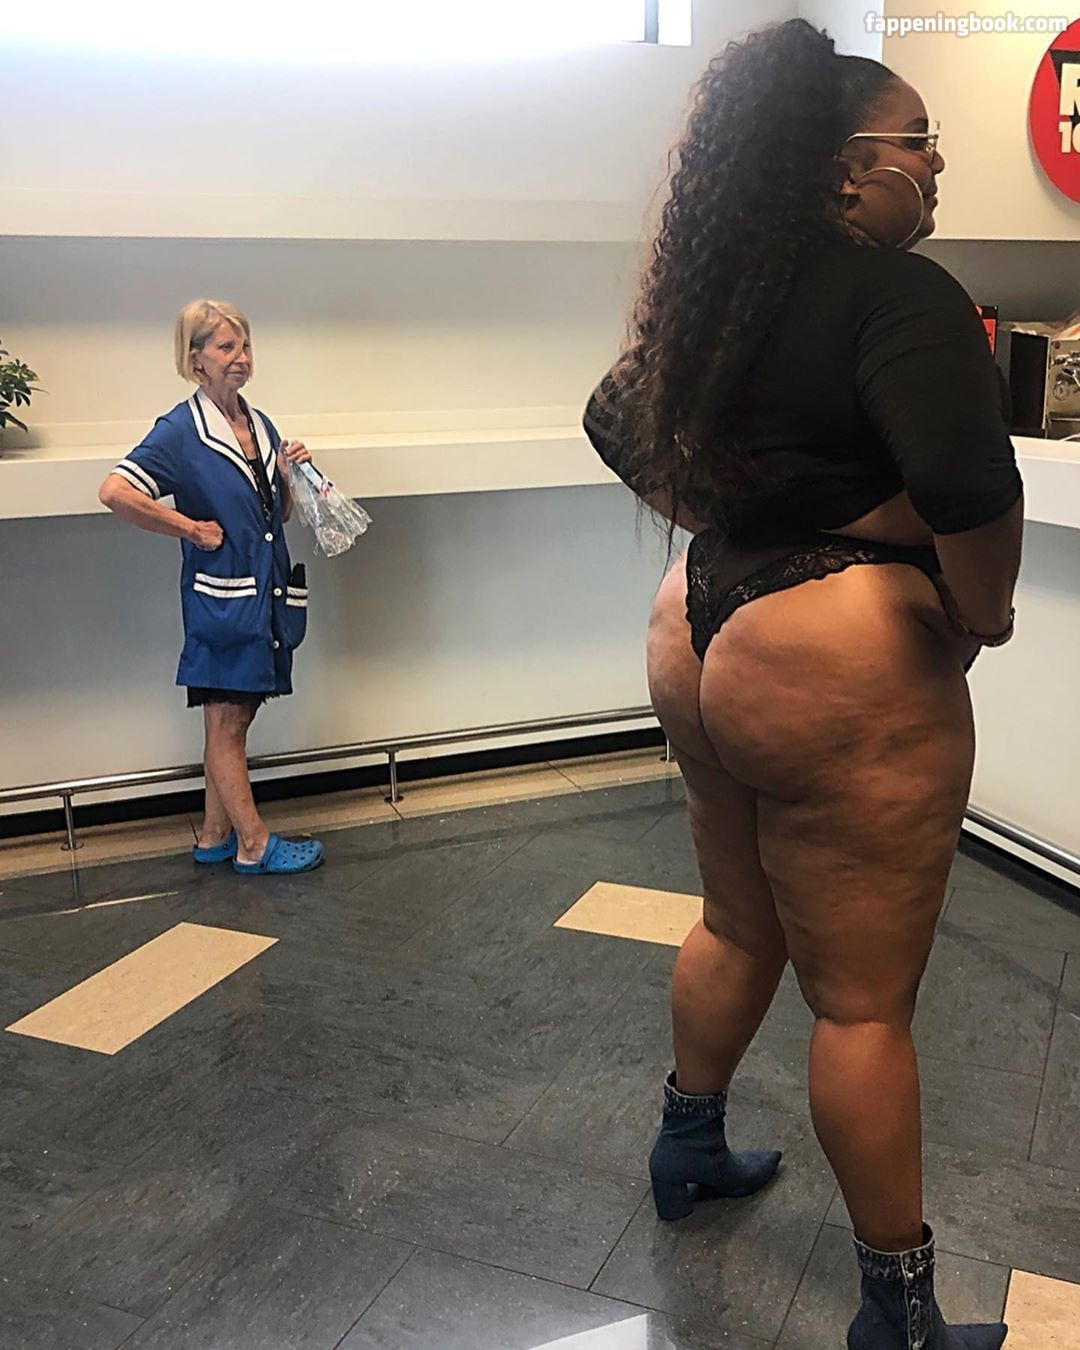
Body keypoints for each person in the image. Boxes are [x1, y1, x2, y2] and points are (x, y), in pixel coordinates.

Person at [584, 20, 1021, 1350]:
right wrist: (981, 614)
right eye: (917, 141)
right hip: (837, 656)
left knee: (735, 922)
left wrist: (746, 513)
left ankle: (687, 1147)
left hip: (699, 626)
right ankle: (899, 1314)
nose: (933, 164)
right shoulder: (901, 293)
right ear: (845, 166)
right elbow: (969, 488)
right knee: (863, 1004)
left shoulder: (721, 288)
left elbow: (614, 415)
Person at [99, 299, 325, 875]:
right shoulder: (180, 431)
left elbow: (278, 516)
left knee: (226, 718)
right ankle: (255, 843)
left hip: (263, 594)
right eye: (226, 347)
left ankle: (214, 834)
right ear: (195, 358)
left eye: (245, 346)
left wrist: (288, 478)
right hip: (223, 600)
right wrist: (189, 528)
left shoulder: (260, 424)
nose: (241, 358)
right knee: (229, 721)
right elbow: (116, 491)